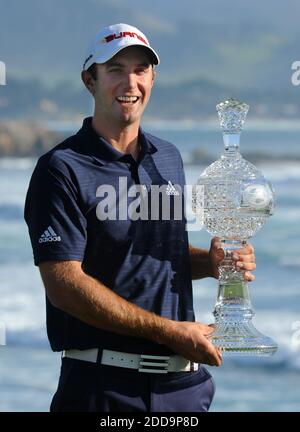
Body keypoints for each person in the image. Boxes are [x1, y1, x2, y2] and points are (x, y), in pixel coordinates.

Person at [24, 23, 256, 412]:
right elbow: (64, 284)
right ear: (89, 80)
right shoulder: (61, 168)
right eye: (115, 69)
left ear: (153, 78)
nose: (130, 81)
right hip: (104, 388)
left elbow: (160, 254)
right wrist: (169, 332)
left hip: (185, 388)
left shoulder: (168, 158)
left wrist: (213, 263)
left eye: (140, 69)